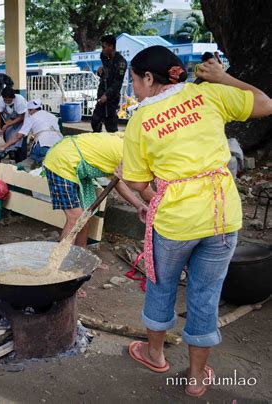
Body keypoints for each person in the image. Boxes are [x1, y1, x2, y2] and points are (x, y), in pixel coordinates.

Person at [120, 45, 272, 397]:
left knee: (162, 286)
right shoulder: (210, 94)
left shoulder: (141, 120)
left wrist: (156, 189)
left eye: (133, 80)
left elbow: (137, 183)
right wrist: (224, 77)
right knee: (206, 294)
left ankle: (155, 354)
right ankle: (197, 376)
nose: (133, 88)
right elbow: (265, 103)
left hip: (176, 221)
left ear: (147, 78)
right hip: (223, 216)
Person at [43, 132, 154, 297]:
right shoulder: (128, 152)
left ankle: (82, 260)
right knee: (75, 219)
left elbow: (118, 182)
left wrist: (138, 205)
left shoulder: (129, 146)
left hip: (75, 163)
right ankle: (60, 274)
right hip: (62, 162)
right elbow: (143, 188)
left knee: (84, 219)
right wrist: (159, 205)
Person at [0, 99, 63, 167]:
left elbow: (18, 136)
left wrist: (4, 147)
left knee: (28, 165)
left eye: (29, 110)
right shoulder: (52, 116)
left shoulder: (31, 117)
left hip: (43, 145)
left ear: (32, 110)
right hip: (60, 145)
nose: (28, 112)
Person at [91, 34, 127, 133]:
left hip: (111, 98)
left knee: (111, 126)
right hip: (101, 95)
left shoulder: (121, 62)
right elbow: (105, 74)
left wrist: (107, 95)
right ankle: (97, 141)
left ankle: (113, 143)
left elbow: (117, 83)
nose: (102, 50)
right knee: (95, 121)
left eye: (104, 47)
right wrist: (100, 71)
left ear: (111, 46)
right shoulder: (104, 57)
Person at [0, 87, 28, 163]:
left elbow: (21, 117)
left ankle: (21, 161)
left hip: (22, 120)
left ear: (13, 98)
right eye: (5, 100)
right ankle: (12, 155)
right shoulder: (1, 100)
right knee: (8, 135)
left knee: (20, 139)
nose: (6, 101)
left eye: (9, 100)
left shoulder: (19, 100)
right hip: (11, 120)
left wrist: (7, 125)